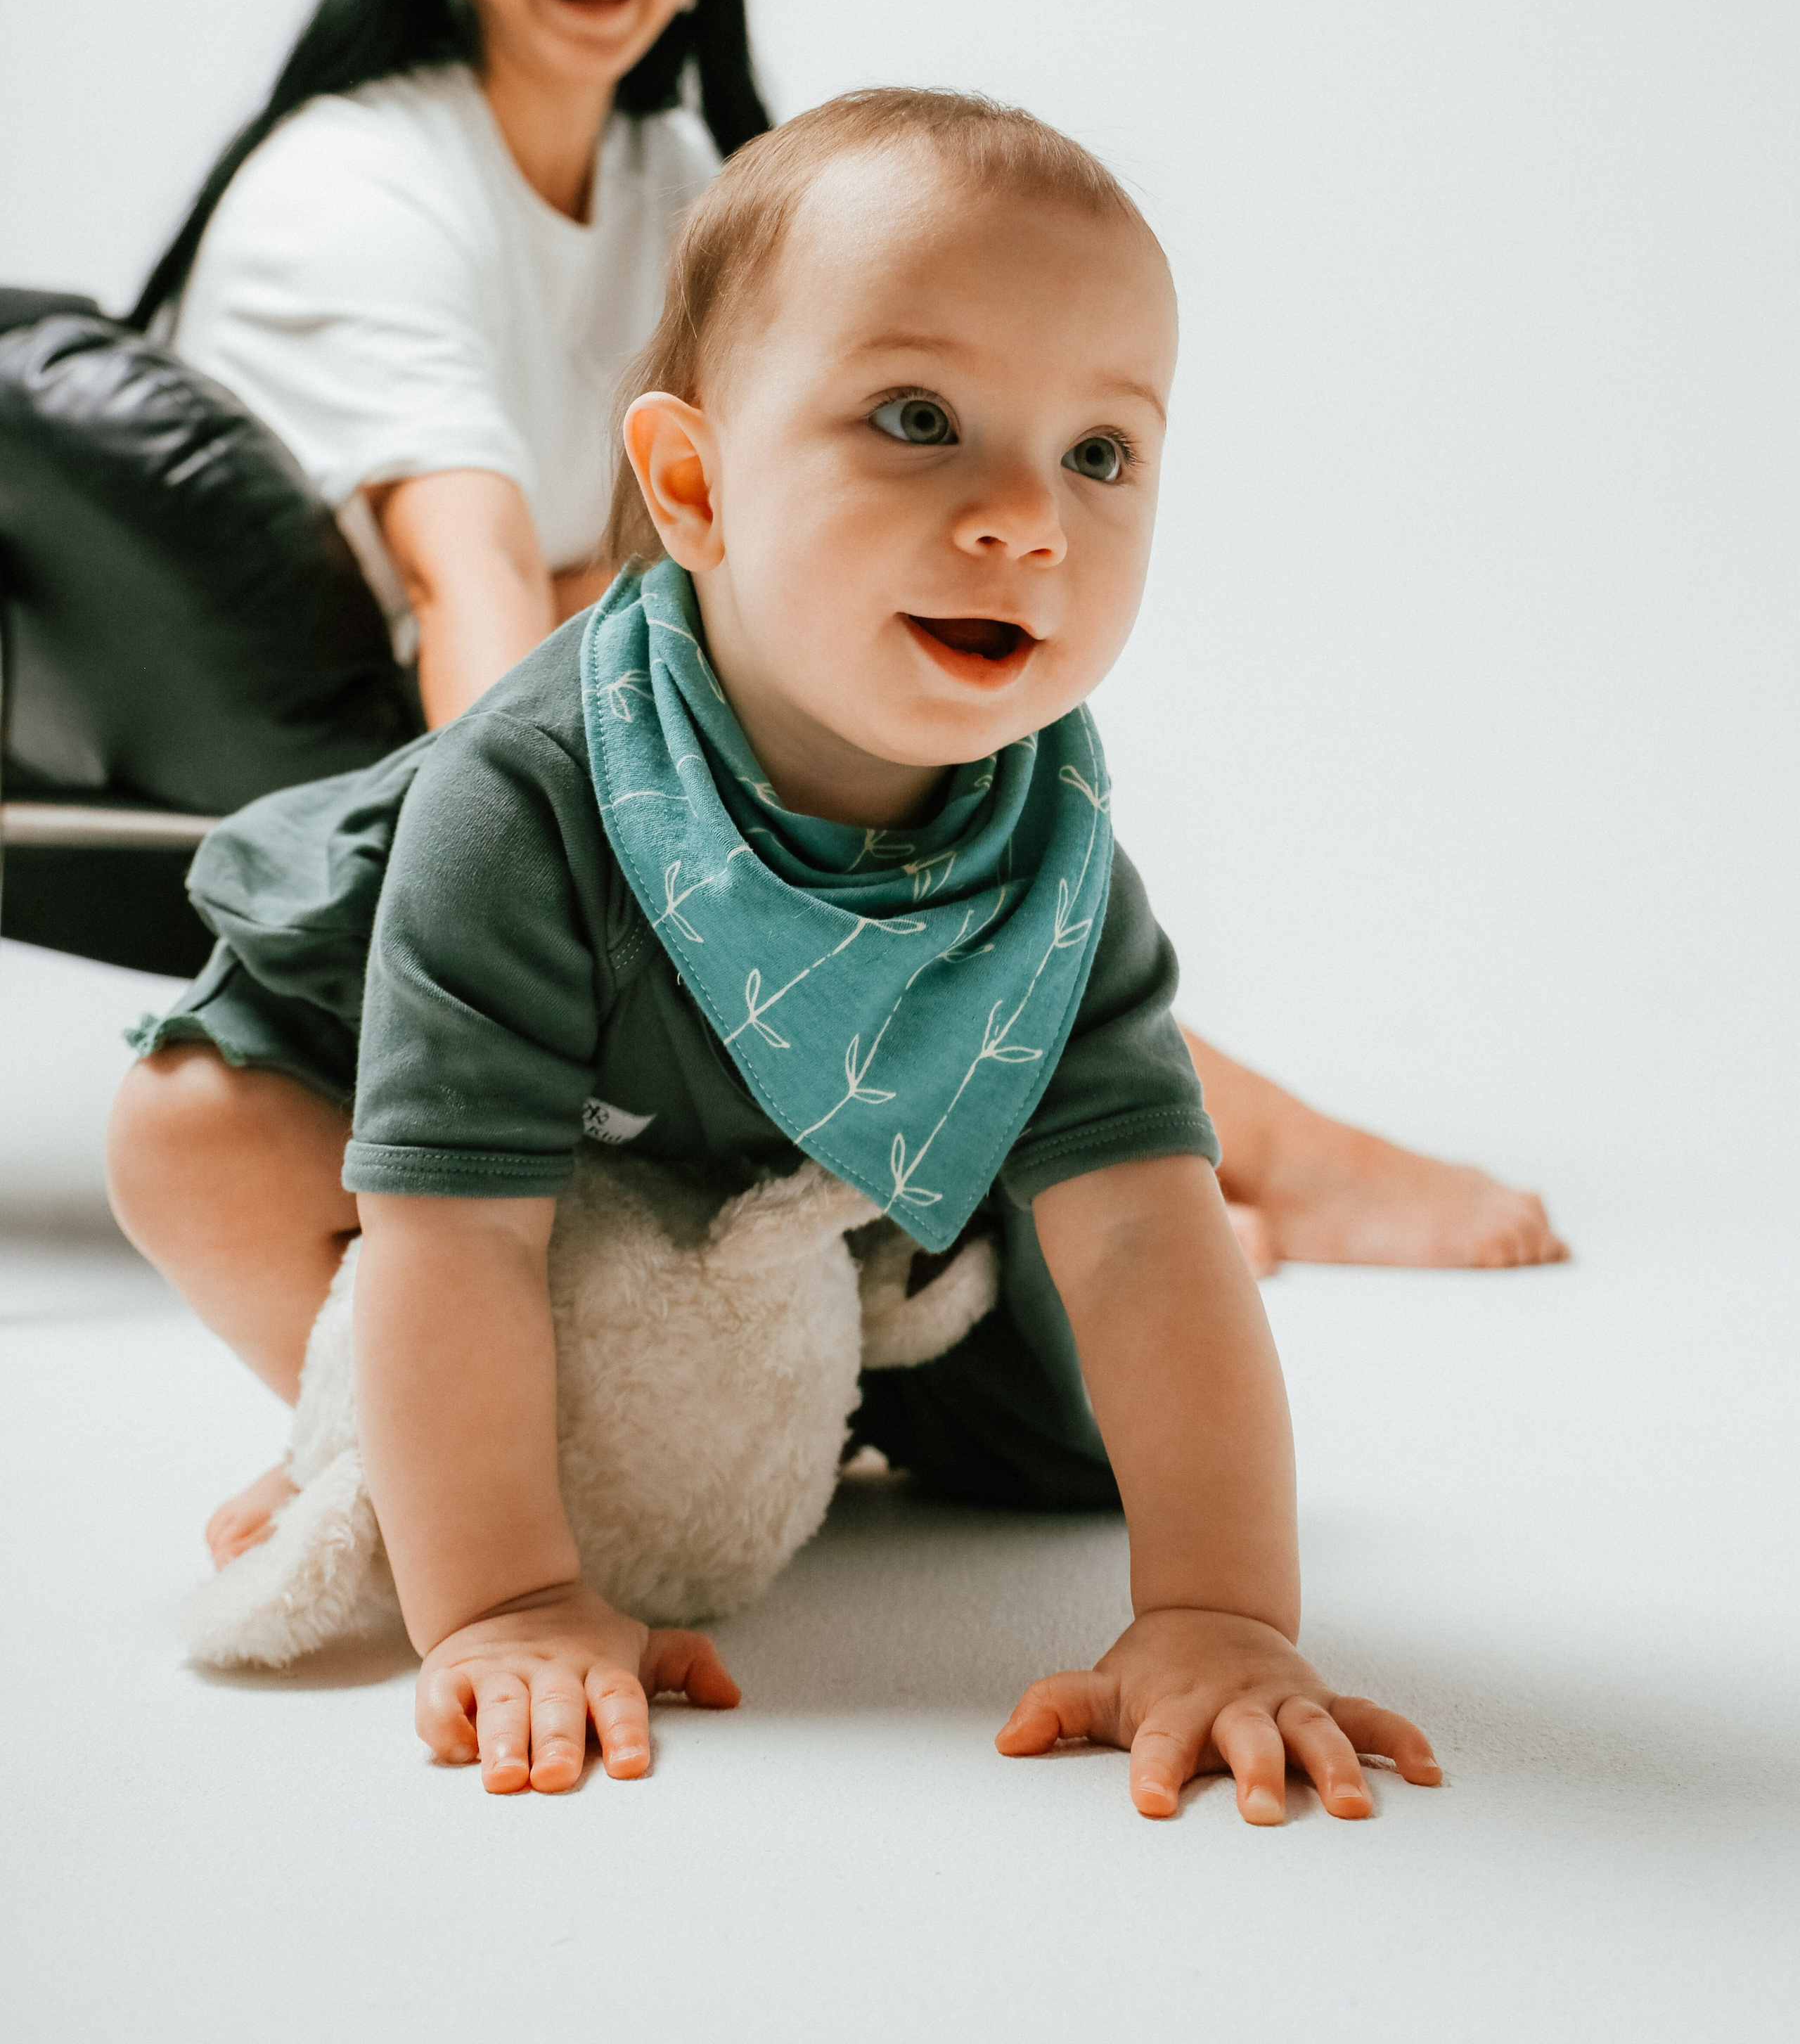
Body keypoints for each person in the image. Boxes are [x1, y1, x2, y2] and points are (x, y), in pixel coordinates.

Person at [134, 0, 1565, 1278]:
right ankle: (1252, 1161)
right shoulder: (353, 185)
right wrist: (578, 837)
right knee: (833, 847)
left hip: (613, 660)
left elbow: (718, 535)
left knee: (930, 812)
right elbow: (477, 600)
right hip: (436, 752)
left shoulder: (679, 172)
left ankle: (1155, 1171)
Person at [108, 90, 1445, 1820]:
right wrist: (505, 1596)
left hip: (852, 1201)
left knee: (1061, 1451)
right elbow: (456, 1231)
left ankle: (819, 1383)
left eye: (1100, 454)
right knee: (191, 1131)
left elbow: (1133, 1241)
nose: (1025, 519)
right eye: (915, 418)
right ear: (691, 484)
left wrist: (1218, 1615)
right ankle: (403, 1457)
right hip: (530, 1162)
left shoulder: (1037, 853)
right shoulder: (527, 798)